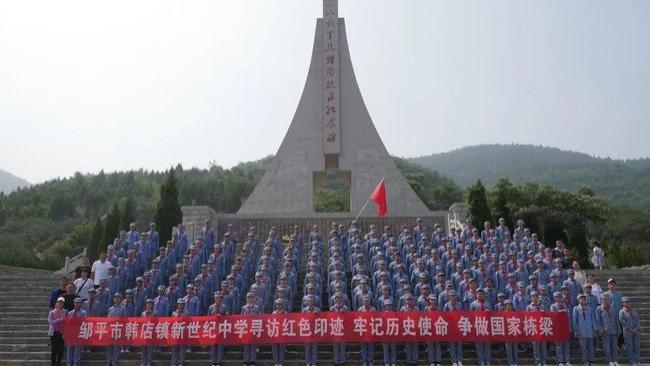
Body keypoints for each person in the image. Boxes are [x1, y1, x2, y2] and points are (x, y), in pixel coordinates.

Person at [572, 293, 597, 366]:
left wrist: (594, 329)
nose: (583, 300)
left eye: (584, 299)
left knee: (590, 346)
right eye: (581, 299)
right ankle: (585, 361)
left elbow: (593, 319)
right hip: (581, 331)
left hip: (589, 330)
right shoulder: (576, 308)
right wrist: (576, 330)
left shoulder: (589, 308)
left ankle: (591, 361)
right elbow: (574, 320)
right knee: (583, 347)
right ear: (578, 300)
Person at [596, 294, 621, 366]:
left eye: (606, 299)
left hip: (613, 329)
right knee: (607, 346)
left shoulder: (612, 308)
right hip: (605, 330)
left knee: (614, 346)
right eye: (604, 299)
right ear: (601, 300)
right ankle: (609, 360)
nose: (605, 300)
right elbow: (598, 320)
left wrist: (618, 329)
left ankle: (615, 360)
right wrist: (600, 329)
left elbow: (616, 319)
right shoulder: (599, 308)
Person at [526, 292, 548, 366]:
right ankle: (538, 362)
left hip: (542, 327)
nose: (535, 297)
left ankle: (544, 361)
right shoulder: (529, 307)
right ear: (531, 298)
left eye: (536, 296)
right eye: (533, 296)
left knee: (543, 346)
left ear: (538, 297)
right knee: (536, 347)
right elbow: (527, 318)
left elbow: (546, 316)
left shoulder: (542, 306)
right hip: (534, 328)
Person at [549, 292, 571, 366]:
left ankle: (567, 360)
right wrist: (560, 312)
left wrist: (569, 327)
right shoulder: (553, 306)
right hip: (557, 328)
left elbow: (568, 317)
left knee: (566, 344)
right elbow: (552, 316)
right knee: (559, 345)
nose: (558, 298)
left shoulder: (565, 306)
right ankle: (561, 361)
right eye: (557, 297)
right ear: (554, 298)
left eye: (559, 297)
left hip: (565, 327)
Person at [619, 297, 640, 366]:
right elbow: (623, 322)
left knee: (636, 346)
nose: (627, 303)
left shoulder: (634, 311)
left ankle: (637, 361)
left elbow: (637, 320)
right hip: (628, 332)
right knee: (630, 346)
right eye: (625, 302)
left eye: (628, 302)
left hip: (635, 331)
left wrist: (636, 328)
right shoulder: (621, 312)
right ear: (623, 303)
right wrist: (631, 329)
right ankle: (632, 362)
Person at [444, 291, 463, 366]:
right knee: (452, 345)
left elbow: (463, 314)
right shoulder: (447, 305)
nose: (453, 297)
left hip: (458, 326)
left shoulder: (459, 304)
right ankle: (454, 361)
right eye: (452, 296)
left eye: (454, 295)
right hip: (451, 327)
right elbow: (444, 315)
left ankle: (459, 360)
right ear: (449, 297)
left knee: (459, 344)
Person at [241, 292, 261, 366]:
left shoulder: (257, 307)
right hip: (246, 328)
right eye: (248, 297)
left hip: (253, 328)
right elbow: (241, 318)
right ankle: (246, 360)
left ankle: (253, 360)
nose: (249, 299)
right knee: (246, 345)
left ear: (253, 299)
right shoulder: (244, 308)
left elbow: (260, 317)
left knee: (253, 345)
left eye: (251, 297)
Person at [106, 293, 125, 366]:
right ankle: (109, 361)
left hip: (118, 330)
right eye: (115, 298)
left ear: (121, 300)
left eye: (118, 298)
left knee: (116, 347)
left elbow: (124, 320)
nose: (116, 299)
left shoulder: (123, 309)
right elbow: (107, 319)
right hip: (110, 329)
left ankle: (114, 361)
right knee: (109, 346)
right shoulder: (110, 309)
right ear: (113, 299)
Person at [331, 293, 350, 366]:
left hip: (343, 329)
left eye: (339, 298)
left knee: (342, 346)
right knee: (336, 346)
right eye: (336, 298)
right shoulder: (332, 308)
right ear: (334, 300)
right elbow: (330, 318)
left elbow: (349, 319)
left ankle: (342, 361)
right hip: (335, 329)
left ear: (342, 299)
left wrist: (344, 314)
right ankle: (336, 361)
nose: (338, 299)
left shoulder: (346, 308)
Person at [66, 298, 86, 366]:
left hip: (78, 333)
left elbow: (84, 322)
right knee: (69, 351)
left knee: (77, 351)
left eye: (79, 303)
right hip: (71, 334)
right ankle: (69, 364)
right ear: (74, 303)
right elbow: (67, 324)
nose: (77, 304)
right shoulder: (70, 313)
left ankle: (76, 364)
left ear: (81, 304)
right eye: (76, 303)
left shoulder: (83, 313)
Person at [358, 295, 376, 366]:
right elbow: (358, 320)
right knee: (363, 347)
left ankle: (370, 361)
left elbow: (376, 320)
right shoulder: (360, 310)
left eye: (367, 301)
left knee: (371, 347)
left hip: (371, 329)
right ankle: (364, 361)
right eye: (365, 301)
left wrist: (374, 329)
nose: (366, 302)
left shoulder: (373, 309)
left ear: (369, 301)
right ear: (362, 302)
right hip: (363, 329)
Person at [48, 297, 67, 366]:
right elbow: (50, 321)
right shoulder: (52, 312)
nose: (60, 304)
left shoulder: (65, 311)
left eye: (62, 303)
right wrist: (59, 320)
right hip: (54, 333)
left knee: (61, 350)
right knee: (54, 350)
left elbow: (66, 321)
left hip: (61, 333)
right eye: (59, 302)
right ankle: (53, 364)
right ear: (57, 303)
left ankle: (58, 363)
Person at [171, 299, 189, 366]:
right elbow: (171, 323)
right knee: (174, 350)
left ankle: (181, 363)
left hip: (183, 333)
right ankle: (174, 363)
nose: (181, 305)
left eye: (182, 304)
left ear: (184, 305)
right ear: (177, 305)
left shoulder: (186, 313)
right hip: (175, 333)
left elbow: (188, 323)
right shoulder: (174, 313)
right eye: (179, 304)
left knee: (182, 350)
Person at [302, 295, 319, 366]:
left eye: (311, 301)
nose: (310, 302)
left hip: (315, 330)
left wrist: (317, 315)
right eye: (309, 301)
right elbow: (301, 319)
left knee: (314, 348)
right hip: (307, 331)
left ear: (314, 302)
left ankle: (314, 362)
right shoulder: (304, 310)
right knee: (307, 348)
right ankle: (308, 362)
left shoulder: (317, 310)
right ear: (307, 302)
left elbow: (321, 320)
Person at [271, 298, 287, 366]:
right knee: (274, 348)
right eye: (277, 304)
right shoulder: (273, 313)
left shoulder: (285, 313)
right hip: (275, 332)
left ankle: (280, 362)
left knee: (282, 348)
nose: (279, 305)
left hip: (282, 332)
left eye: (280, 304)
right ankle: (275, 362)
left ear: (283, 305)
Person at [502, 300, 518, 366]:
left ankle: (515, 362)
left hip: (514, 332)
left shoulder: (515, 313)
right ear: (505, 306)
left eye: (510, 305)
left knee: (515, 349)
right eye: (507, 305)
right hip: (507, 334)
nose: (508, 306)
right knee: (508, 350)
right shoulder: (502, 314)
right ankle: (511, 363)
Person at [141, 299, 155, 366]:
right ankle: (143, 362)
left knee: (149, 349)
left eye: (150, 304)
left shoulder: (154, 313)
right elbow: (140, 323)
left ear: (152, 305)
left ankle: (149, 362)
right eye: (147, 304)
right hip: (144, 333)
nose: (148, 305)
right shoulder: (143, 313)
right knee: (143, 349)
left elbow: (156, 323)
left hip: (151, 333)